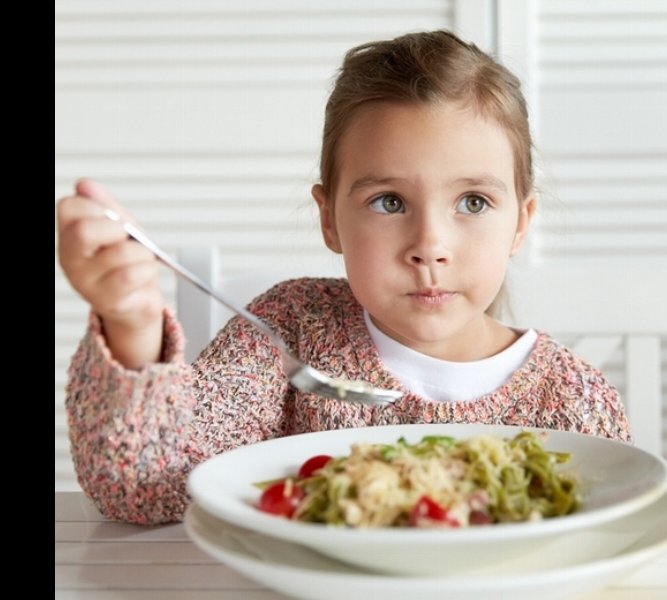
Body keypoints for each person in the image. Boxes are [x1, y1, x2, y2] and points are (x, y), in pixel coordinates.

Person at [57, 30, 630, 525]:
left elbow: (612, 529)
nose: (430, 245)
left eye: (473, 203)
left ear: (520, 224)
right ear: (330, 219)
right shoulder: (289, 333)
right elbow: (145, 489)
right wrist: (130, 322)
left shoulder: (573, 401)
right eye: (388, 202)